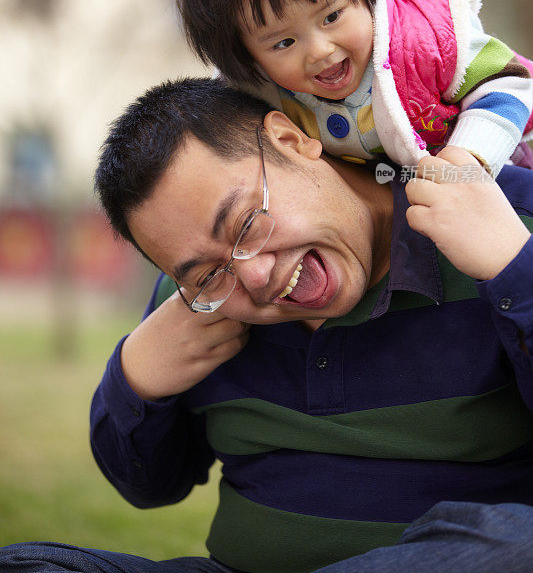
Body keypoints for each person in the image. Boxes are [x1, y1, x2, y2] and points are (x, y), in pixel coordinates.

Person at [2, 77, 533, 573]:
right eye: (208, 273)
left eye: (244, 223)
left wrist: (516, 271)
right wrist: (134, 376)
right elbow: (148, 486)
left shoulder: (502, 221)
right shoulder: (200, 305)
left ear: (291, 140)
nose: (254, 277)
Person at [176, 0, 533, 177]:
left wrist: (469, 158)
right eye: (284, 42)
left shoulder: (424, 36)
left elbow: (508, 82)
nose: (319, 51)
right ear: (245, 56)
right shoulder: (255, 94)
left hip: (499, 179)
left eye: (331, 17)